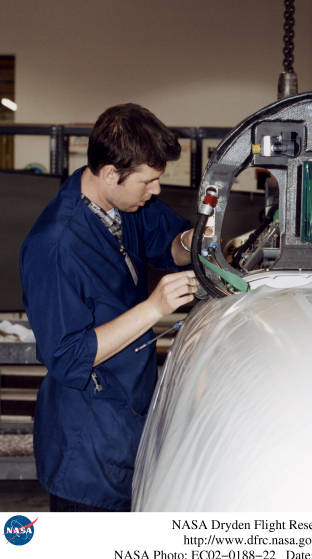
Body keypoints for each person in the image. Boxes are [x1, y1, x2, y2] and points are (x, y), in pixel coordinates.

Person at [20, 103, 198, 511]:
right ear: (110, 173)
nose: (156, 191)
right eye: (148, 181)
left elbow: (169, 244)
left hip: (126, 416)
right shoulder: (55, 246)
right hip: (87, 445)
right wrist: (154, 308)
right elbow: (67, 357)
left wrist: (197, 242)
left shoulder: (123, 208)